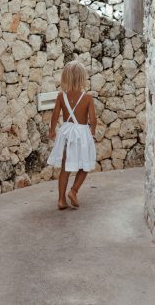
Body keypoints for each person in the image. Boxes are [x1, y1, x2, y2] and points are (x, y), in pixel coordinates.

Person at [47, 60, 97, 210]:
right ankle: (73, 191)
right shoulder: (87, 98)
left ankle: (61, 200)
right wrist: (92, 132)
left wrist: (52, 131)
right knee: (85, 164)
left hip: (67, 132)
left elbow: (55, 115)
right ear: (82, 78)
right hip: (81, 133)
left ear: (66, 77)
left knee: (65, 166)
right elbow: (93, 119)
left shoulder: (61, 96)